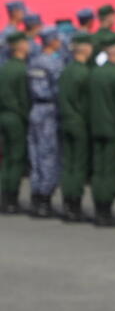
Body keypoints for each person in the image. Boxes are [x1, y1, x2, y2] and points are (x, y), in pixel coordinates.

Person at [26, 27, 65, 217]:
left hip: (35, 110)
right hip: (49, 110)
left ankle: (36, 195)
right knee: (48, 154)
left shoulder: (34, 61)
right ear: (52, 41)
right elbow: (59, 90)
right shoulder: (54, 63)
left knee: (35, 155)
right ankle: (44, 199)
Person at [88, 33, 115, 226]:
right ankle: (105, 210)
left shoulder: (95, 73)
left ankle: (98, 208)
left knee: (98, 169)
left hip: (96, 127)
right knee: (109, 171)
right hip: (112, 129)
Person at [59, 33, 92, 222]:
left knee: (68, 164)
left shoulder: (67, 70)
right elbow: (85, 104)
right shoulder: (83, 73)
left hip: (66, 120)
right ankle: (74, 205)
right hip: (79, 123)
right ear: (85, 49)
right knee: (78, 166)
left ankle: (67, 202)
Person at [0, 32, 30, 213]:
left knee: (7, 160)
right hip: (16, 118)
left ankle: (4, 197)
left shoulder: (5, 67)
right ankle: (11, 199)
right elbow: (23, 98)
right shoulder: (20, 69)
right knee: (16, 159)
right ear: (19, 46)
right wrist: (27, 116)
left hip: (4, 116)